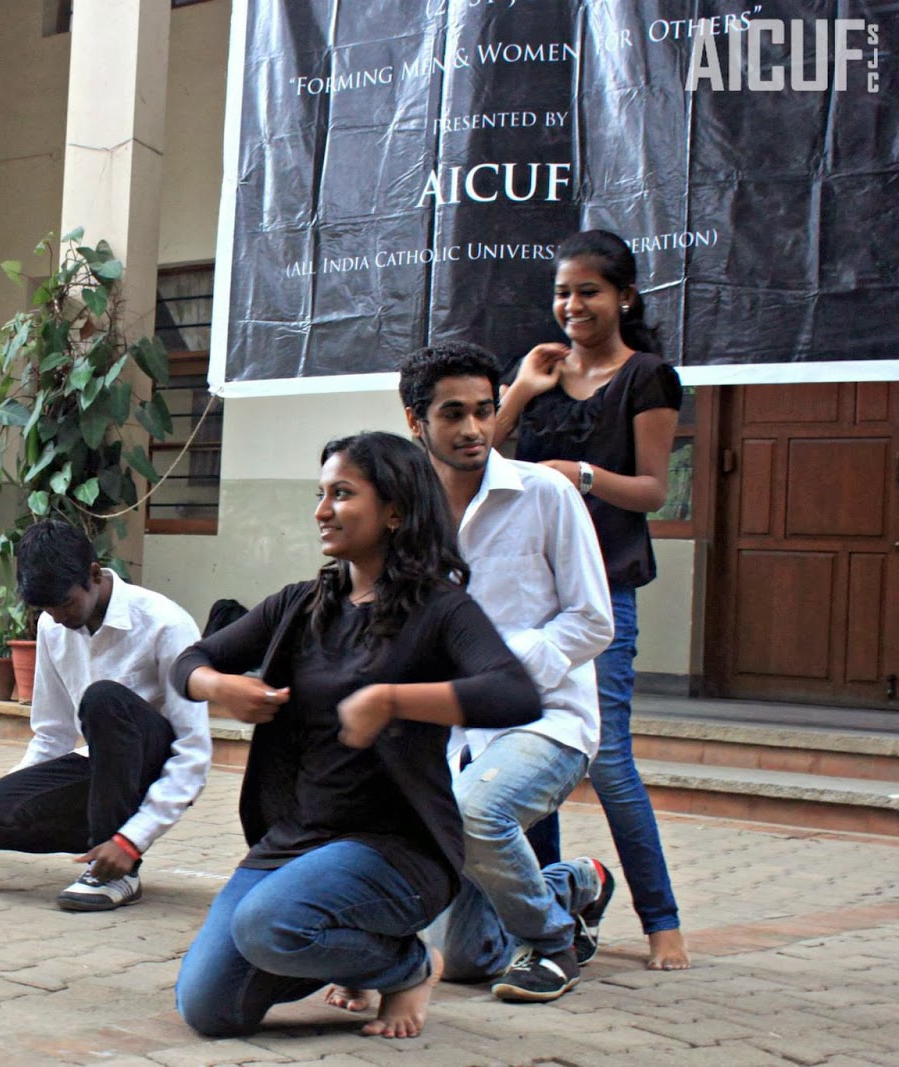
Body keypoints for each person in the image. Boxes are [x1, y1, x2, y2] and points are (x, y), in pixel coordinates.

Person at [173, 432, 542, 1040]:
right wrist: (218, 687)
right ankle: (353, 955)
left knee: (268, 924)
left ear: (394, 509)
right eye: (321, 494)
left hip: (396, 847)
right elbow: (190, 660)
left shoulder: (440, 609)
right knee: (209, 1008)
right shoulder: (300, 605)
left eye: (342, 494)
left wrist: (394, 699)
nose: (323, 510)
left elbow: (515, 693)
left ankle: (409, 966)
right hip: (298, 840)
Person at [494, 229, 689, 970]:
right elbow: (480, 455)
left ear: (625, 297)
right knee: (529, 750)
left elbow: (652, 490)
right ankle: (550, 910)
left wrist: (579, 474)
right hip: (528, 593)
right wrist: (520, 389)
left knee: (607, 760)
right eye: (562, 292)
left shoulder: (648, 377)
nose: (573, 305)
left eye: (589, 291)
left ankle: (661, 920)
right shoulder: (539, 372)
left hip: (603, 589)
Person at [398, 342, 615, 1003]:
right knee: (463, 958)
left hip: (546, 720)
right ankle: (577, 883)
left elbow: (593, 620)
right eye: (453, 413)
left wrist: (499, 675)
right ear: (415, 421)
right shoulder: (405, 516)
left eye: (484, 411)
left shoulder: (544, 493)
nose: (473, 428)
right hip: (451, 735)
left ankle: (552, 943)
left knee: (476, 810)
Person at [0, 520, 211, 911]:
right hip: (99, 767)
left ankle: (117, 871)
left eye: (65, 604)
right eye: (47, 608)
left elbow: (193, 750)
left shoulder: (165, 623)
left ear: (94, 574)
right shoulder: (51, 626)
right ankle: (102, 848)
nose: (57, 617)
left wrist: (134, 838)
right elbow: (52, 733)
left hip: (152, 766)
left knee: (103, 698)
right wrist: (5, 794)